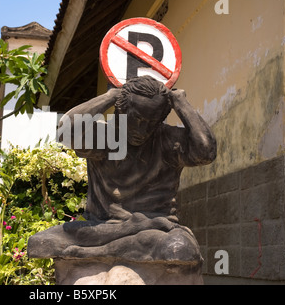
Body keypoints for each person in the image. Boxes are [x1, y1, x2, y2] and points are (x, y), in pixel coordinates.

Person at [28, 75, 217, 262]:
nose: (143, 130)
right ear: (121, 111)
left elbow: (206, 151)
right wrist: (110, 96)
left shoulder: (168, 140)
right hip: (101, 229)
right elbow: (65, 132)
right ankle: (107, 250)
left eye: (152, 122)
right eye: (137, 119)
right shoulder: (104, 137)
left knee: (178, 249)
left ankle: (99, 253)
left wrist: (180, 102)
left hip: (156, 230)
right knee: (40, 243)